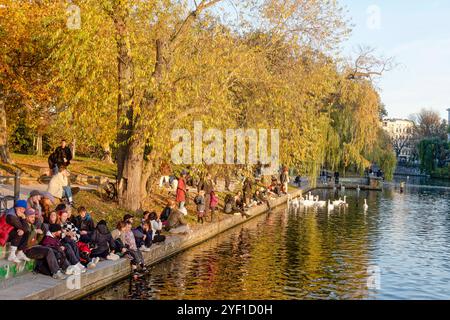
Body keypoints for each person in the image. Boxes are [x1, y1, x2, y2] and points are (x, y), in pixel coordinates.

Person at [20, 213, 69, 280]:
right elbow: (27, 243)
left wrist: (41, 234)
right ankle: (56, 272)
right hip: (28, 250)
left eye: (34, 217)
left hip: (35, 247)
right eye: (31, 217)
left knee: (51, 250)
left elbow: (37, 241)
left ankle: (64, 268)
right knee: (48, 250)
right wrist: (35, 231)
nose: (33, 219)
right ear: (27, 217)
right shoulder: (25, 227)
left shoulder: (33, 226)